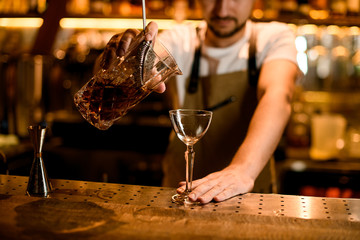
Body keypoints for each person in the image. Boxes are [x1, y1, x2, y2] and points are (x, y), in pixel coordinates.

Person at [97, 0, 300, 204]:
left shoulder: (273, 37)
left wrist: (241, 171)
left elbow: (277, 95)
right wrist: (121, 56)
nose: (223, 10)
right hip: (180, 194)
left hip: (250, 198)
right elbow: (143, 57)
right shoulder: (180, 40)